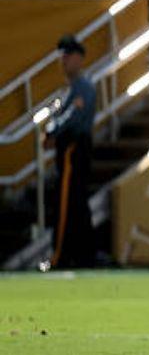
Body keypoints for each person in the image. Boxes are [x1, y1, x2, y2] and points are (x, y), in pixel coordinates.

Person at [43, 35, 97, 269]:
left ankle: (61, 255)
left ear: (79, 59)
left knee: (66, 203)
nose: (63, 62)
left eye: (67, 56)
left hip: (74, 149)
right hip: (70, 149)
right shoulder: (70, 89)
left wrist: (52, 130)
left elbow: (70, 118)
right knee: (75, 203)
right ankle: (82, 255)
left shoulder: (82, 88)